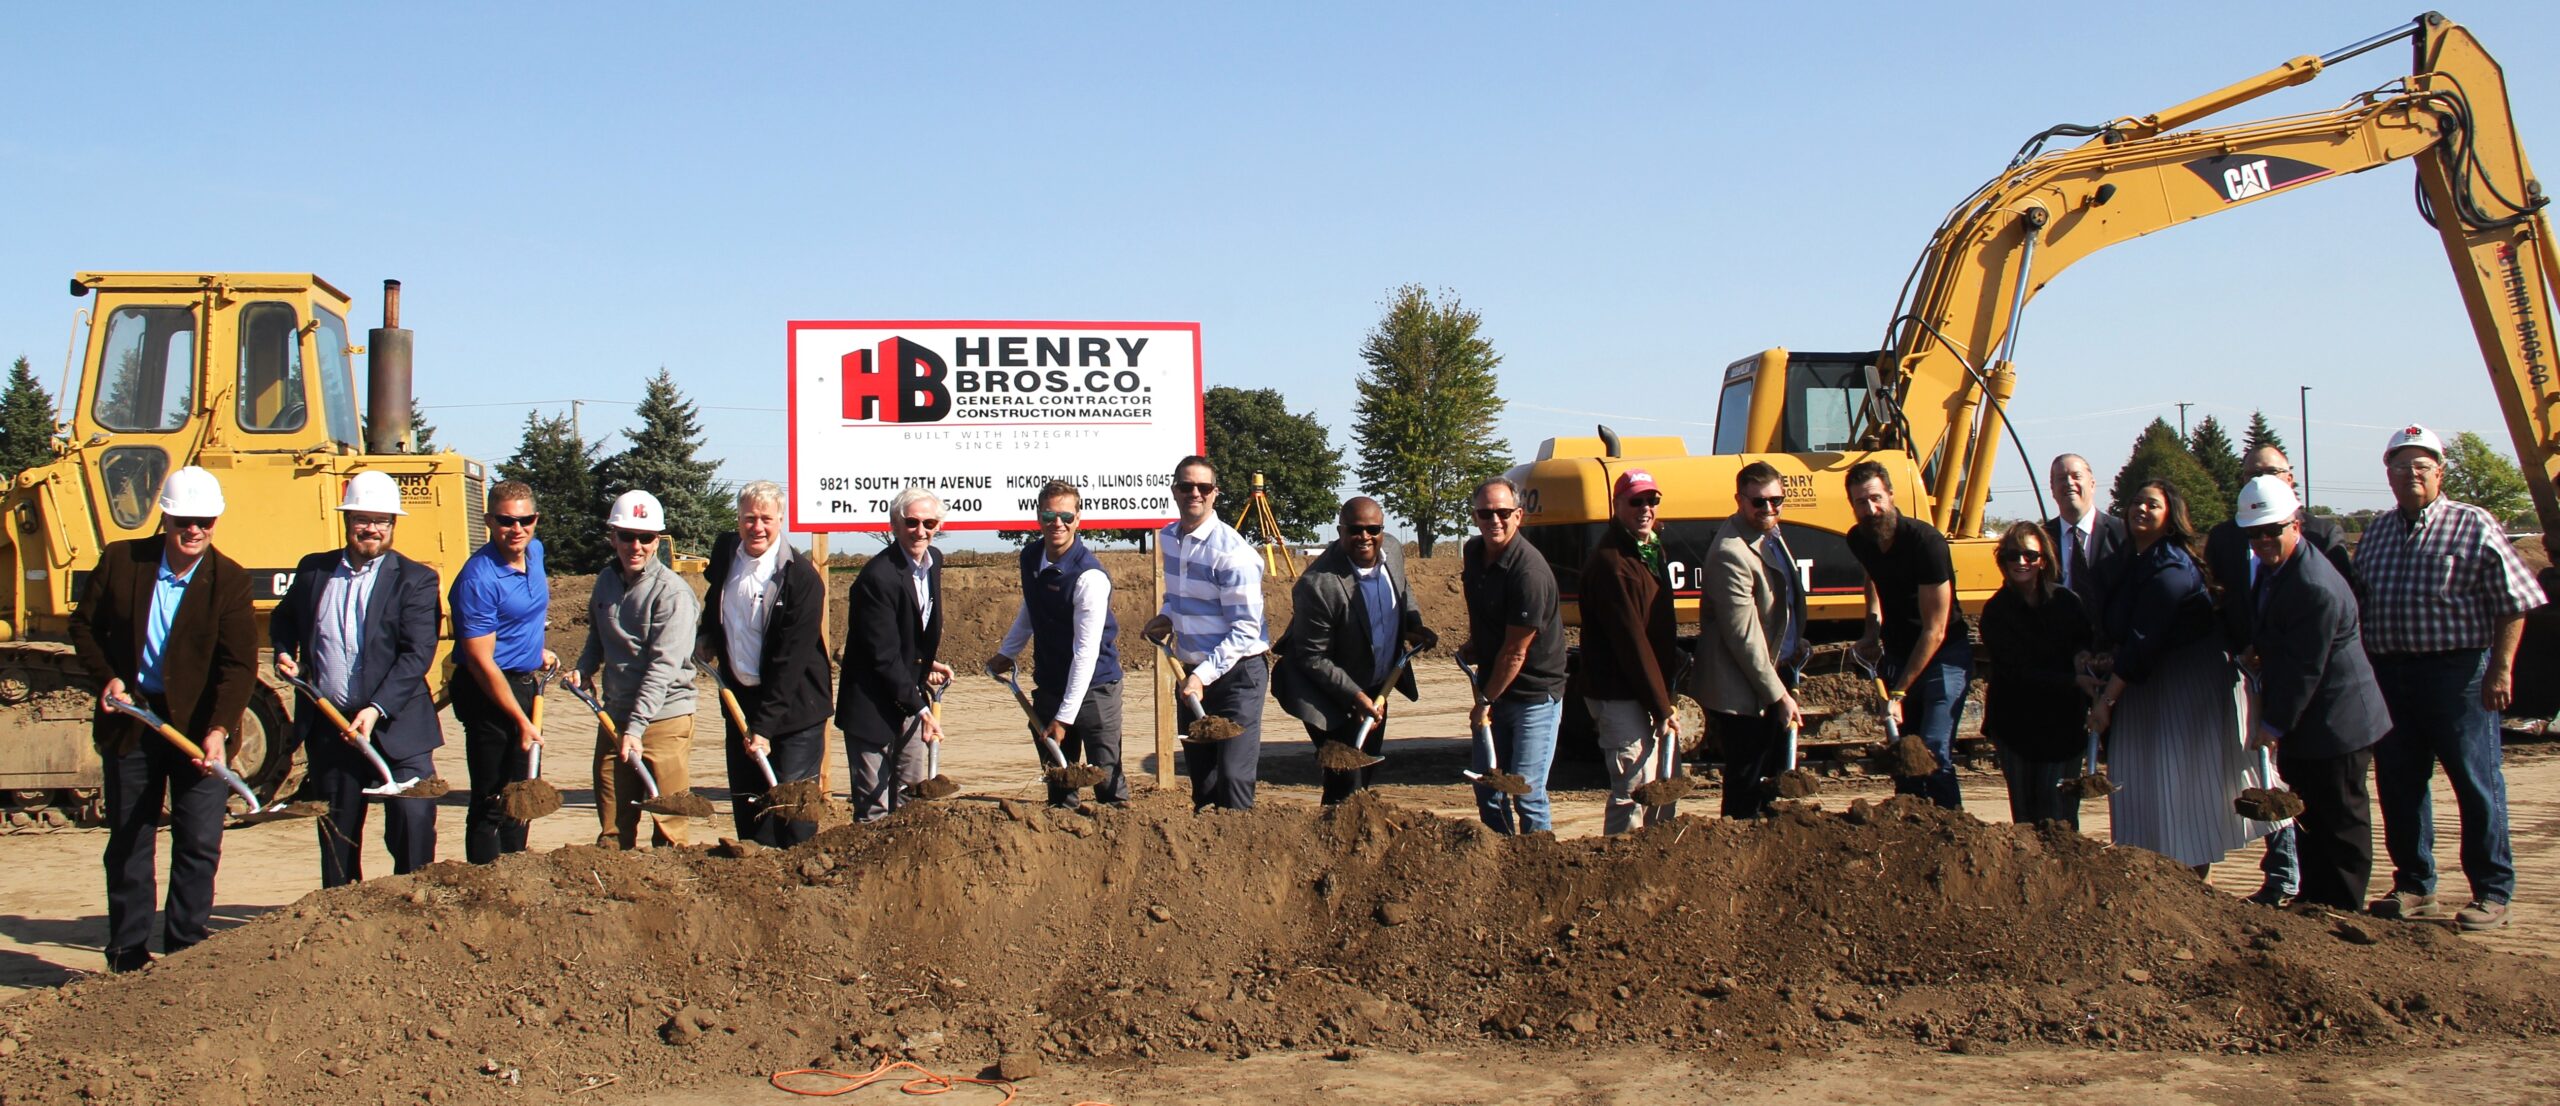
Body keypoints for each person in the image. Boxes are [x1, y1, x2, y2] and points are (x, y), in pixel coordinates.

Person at [68, 466, 258, 972]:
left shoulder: (231, 580)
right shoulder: (122, 561)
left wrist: (218, 731)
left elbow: (238, 666)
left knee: (198, 841)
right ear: (166, 520)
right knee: (131, 838)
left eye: (205, 521)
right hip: (134, 720)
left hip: (198, 731)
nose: (194, 530)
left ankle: (185, 950)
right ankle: (127, 953)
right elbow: (83, 626)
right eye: (184, 522)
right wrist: (107, 677)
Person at [2356, 425, 2545, 930]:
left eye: (2421, 466)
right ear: (2388, 476)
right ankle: (2415, 884)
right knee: (2399, 784)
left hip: (2457, 673)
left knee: (2476, 783)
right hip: (2391, 676)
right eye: (2401, 467)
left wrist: (2501, 669)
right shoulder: (2375, 532)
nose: (2411, 475)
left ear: (2440, 473)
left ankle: (2492, 891)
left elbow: (2516, 604)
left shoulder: (2473, 524)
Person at [2086, 479, 2278, 875]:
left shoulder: (2171, 565)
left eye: (2152, 504)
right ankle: (2155, 876)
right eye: (2137, 501)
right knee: (2143, 780)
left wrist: (2107, 702)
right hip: (2144, 681)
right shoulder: (2129, 561)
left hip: (2185, 686)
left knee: (2181, 783)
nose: (2141, 508)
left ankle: (2189, 877)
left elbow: (2145, 638)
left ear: (2171, 517)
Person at [271, 471, 444, 886]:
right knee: (337, 835)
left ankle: (413, 905)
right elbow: (284, 617)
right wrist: (283, 650)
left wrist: (375, 707)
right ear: (347, 521)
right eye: (362, 519)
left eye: (380, 520)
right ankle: (339, 915)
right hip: (332, 726)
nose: (371, 529)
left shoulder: (416, 580)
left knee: (412, 824)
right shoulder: (314, 571)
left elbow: (417, 653)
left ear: (392, 525)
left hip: (397, 726)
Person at [2234, 476, 2390, 912]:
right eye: (2254, 533)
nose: (2263, 540)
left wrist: (2272, 725)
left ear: (2295, 524)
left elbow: (2306, 669)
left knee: (2339, 817)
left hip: (2338, 722)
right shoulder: (2276, 571)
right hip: (2310, 720)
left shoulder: (2313, 585)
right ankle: (2315, 900)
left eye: (2272, 530)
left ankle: (2341, 906)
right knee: (2308, 814)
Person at [2203, 443, 2339, 903]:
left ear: (2291, 479)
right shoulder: (2225, 539)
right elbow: (2221, 600)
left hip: (2311, 687)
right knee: (2264, 777)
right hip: (2249, 671)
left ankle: (2306, 883)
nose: (2262, 479)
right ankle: (2281, 875)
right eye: (2252, 473)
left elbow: (2333, 615)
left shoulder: (2322, 536)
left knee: (2311, 790)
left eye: (2272, 472)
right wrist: (2243, 647)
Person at [1273, 496, 1432, 806]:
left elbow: (1402, 586)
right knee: (1345, 781)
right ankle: (1331, 844)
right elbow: (1312, 657)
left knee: (1367, 770)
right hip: (1323, 691)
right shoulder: (1318, 585)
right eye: (1355, 530)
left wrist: (1414, 623)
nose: (1365, 538)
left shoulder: (1393, 551)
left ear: (1382, 530)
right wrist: (1355, 697)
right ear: (1340, 530)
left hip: (1376, 685)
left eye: (1373, 529)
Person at [699, 481, 831, 848]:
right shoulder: (728, 554)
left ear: (781, 520)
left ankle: (800, 873)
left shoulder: (801, 579)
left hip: (793, 710)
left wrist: (766, 727)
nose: (757, 527)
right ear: (738, 520)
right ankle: (756, 877)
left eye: (766, 519)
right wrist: (706, 634)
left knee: (791, 806)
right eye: (749, 518)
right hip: (740, 702)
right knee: (750, 805)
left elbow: (791, 661)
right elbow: (716, 599)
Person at [572, 489, 701, 849]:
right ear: (613, 536)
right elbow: (597, 636)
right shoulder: (606, 581)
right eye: (627, 536)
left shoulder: (671, 594)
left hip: (664, 719)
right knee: (612, 828)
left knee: (669, 825)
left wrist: (638, 728)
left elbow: (662, 667)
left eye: (645, 538)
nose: (636, 546)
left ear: (657, 540)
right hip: (616, 718)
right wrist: (584, 669)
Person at [1142, 456, 1271, 812]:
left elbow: (1246, 629)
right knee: (1203, 780)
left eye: (1203, 487)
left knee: (1232, 778)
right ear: (1175, 491)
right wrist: (1166, 616)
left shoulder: (1233, 553)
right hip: (1192, 675)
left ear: (1215, 493)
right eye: (1186, 487)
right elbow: (1181, 596)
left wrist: (1201, 677)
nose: (1194, 494)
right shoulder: (1169, 538)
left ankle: (1240, 849)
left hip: (1237, 678)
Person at [1845, 461, 1972, 809]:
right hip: (1899, 652)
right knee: (1904, 753)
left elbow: (1936, 630)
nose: (1870, 509)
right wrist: (1872, 629)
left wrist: (1898, 691)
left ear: (1890, 495)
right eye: (1860, 502)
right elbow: (1871, 576)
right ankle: (1914, 832)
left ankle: (1952, 828)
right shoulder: (1860, 538)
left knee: (1931, 749)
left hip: (1943, 656)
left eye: (1875, 498)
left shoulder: (1925, 543)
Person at [992, 481, 1128, 807]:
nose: (1058, 523)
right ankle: (1063, 837)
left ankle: (1117, 835)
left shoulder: (1089, 577)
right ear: (1039, 516)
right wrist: (1007, 652)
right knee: (1059, 777)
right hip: (1051, 683)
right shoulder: (1030, 557)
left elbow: (1086, 652)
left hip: (1095, 687)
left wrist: (1065, 717)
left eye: (1066, 515)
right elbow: (1031, 607)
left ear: (1078, 519)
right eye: (1050, 514)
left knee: (1105, 774)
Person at [449, 480, 557, 864]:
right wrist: (520, 720)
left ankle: (515, 869)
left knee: (522, 791)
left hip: (524, 681)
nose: (517, 529)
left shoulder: (535, 552)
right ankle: (485, 879)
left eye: (525, 520)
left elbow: (523, 614)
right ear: (490, 521)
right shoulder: (478, 578)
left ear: (535, 520)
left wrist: (533, 651)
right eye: (507, 521)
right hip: (487, 691)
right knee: (492, 796)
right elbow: (481, 660)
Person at [1693, 462, 1808, 820]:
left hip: (1772, 674)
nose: (1769, 509)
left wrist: (1795, 644)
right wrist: (1778, 695)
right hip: (1744, 690)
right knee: (1747, 780)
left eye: (1777, 500)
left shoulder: (1769, 535)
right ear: (1740, 500)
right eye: (1759, 502)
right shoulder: (1732, 552)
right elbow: (1743, 636)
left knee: (1769, 778)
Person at [1581, 470, 1687, 833]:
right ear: (1617, 505)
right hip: (1618, 691)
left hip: (1645, 684)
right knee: (1634, 785)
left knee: (1662, 778)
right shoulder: (1614, 563)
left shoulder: (1650, 549)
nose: (1645, 508)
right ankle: (1619, 863)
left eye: (1651, 500)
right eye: (1636, 501)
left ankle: (1656, 856)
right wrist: (1661, 706)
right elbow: (1630, 641)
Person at [1459, 477, 1568, 833]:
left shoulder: (1529, 573)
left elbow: (1515, 653)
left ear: (1518, 515)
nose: (1495, 521)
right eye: (1486, 513)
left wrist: (1484, 701)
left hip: (1533, 694)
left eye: (1503, 513)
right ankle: (1499, 863)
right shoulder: (1474, 554)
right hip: (1497, 687)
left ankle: (1537, 869)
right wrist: (1476, 644)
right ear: (1475, 516)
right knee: (1487, 786)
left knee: (1526, 791)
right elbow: (1482, 608)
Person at [837, 487, 952, 822]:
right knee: (873, 808)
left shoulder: (933, 562)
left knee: (913, 801)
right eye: (911, 522)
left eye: (929, 522)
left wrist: (926, 663)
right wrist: (923, 710)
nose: (921, 530)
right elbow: (882, 654)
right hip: (871, 705)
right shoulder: (877, 577)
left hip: (907, 696)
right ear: (894, 524)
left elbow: (909, 630)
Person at [1976, 521, 2094, 829]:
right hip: (2017, 727)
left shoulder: (2068, 602)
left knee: (2060, 817)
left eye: (2029, 554)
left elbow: (2084, 640)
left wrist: (2084, 655)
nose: (2021, 562)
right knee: (2027, 820)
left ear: (2043, 559)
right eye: (2012, 556)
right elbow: (2015, 671)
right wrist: (2072, 681)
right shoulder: (1996, 612)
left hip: (2063, 727)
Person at [2044, 453, 2126, 603]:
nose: (2069, 482)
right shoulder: (2041, 538)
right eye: (2062, 478)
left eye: (2076, 476)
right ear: (2052, 488)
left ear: (2092, 484)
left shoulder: (2122, 533)